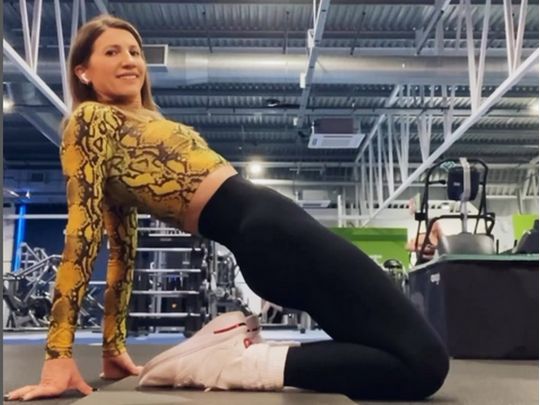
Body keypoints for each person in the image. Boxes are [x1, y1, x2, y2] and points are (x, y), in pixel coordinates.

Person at [7, 15, 449, 402]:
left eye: (135, 51)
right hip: (271, 232)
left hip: (271, 230)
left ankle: (239, 361)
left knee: (403, 359)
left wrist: (112, 348)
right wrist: (58, 355)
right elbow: (85, 234)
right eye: (112, 52)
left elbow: (126, 249)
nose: (130, 60)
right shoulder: (91, 120)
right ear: (82, 71)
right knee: (422, 363)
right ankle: (234, 362)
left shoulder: (147, 121)